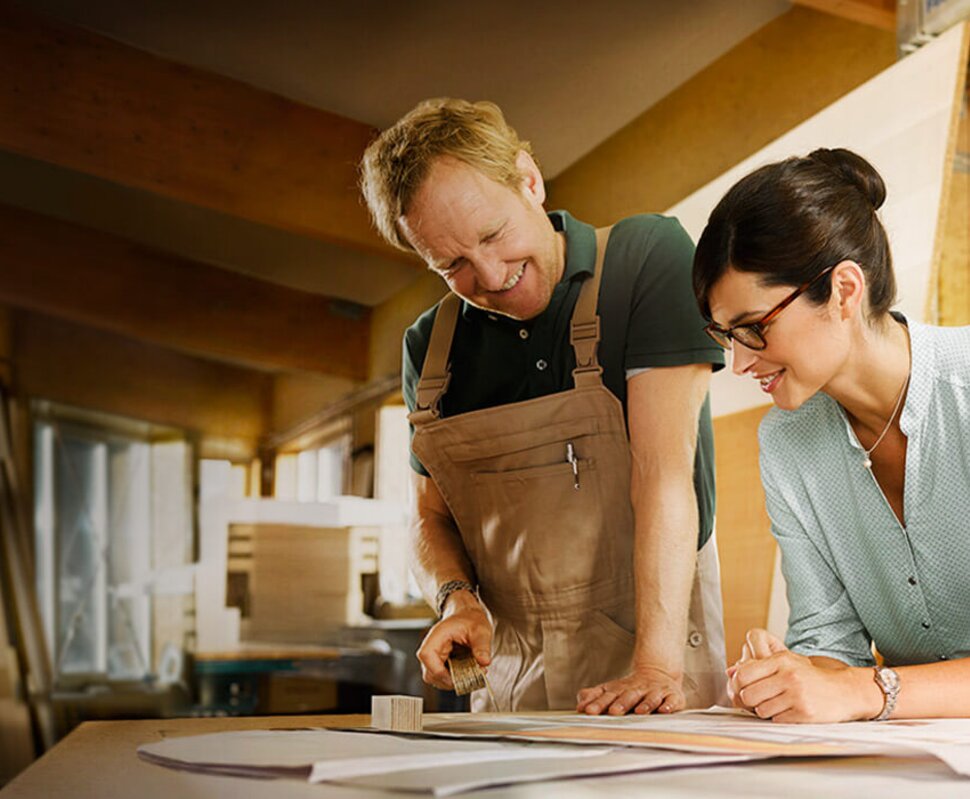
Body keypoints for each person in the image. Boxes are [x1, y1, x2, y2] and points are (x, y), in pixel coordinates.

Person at [360, 98, 728, 714]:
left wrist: (657, 669)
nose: (491, 274)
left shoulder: (643, 258)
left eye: (492, 235)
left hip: (652, 647)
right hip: (503, 673)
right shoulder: (428, 349)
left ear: (529, 181)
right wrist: (456, 601)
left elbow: (663, 476)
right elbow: (430, 519)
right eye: (451, 264)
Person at [692, 147, 970, 723]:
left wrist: (866, 692)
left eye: (753, 329)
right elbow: (831, 645)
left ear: (844, 290)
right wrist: (790, 674)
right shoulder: (788, 444)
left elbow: (856, 688)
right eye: (725, 336)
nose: (740, 366)